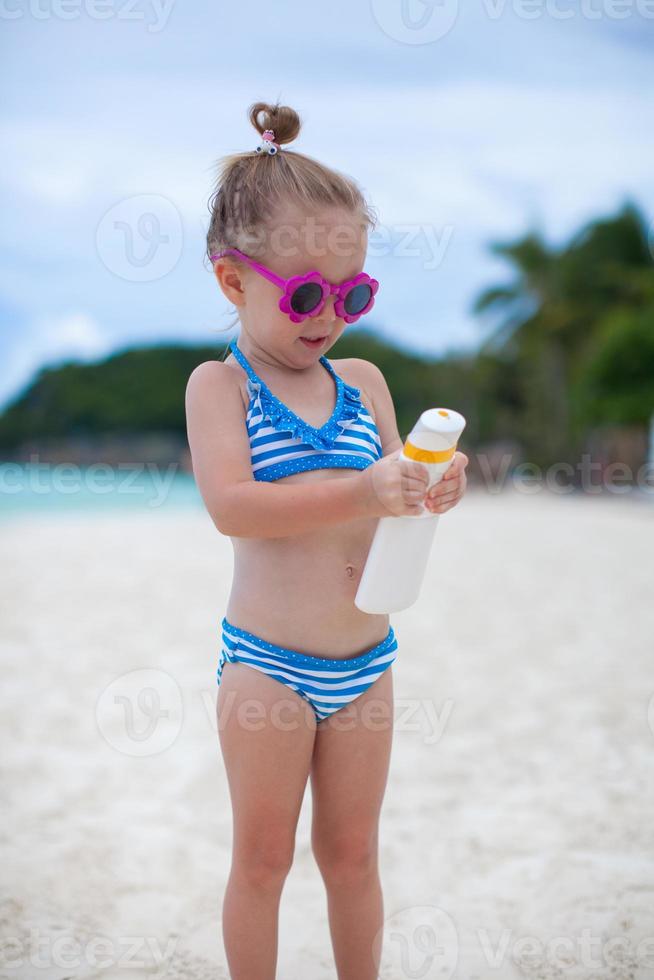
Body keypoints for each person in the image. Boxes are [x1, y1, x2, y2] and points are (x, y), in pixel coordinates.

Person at [185, 100, 468, 980]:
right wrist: (365, 487)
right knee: (264, 863)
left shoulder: (366, 381)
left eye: (352, 294)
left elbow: (395, 493)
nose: (328, 316)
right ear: (234, 281)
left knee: (353, 859)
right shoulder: (219, 388)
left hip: (367, 659)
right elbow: (232, 505)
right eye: (305, 293)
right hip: (267, 663)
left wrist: (430, 489)